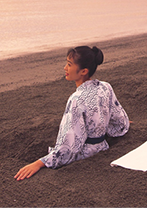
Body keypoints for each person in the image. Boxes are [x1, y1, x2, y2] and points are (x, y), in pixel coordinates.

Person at [14, 46, 129, 181]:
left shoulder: (76, 99)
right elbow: (119, 119)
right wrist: (114, 123)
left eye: (69, 65)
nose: (65, 68)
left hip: (87, 153)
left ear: (83, 71)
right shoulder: (105, 86)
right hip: (103, 145)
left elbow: (68, 146)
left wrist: (40, 163)